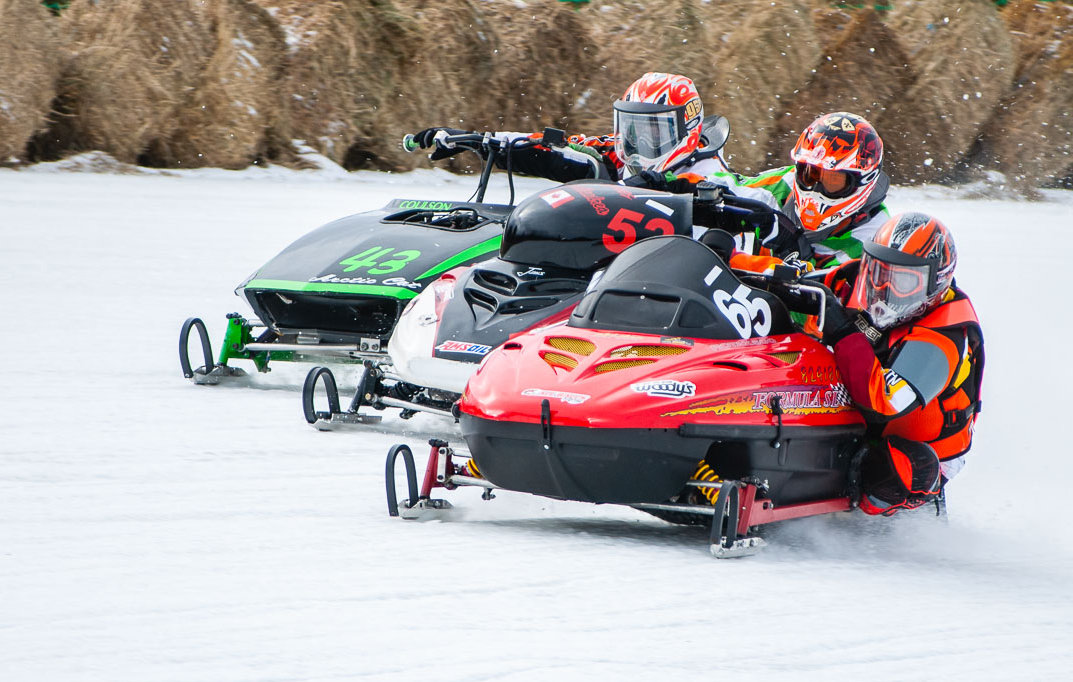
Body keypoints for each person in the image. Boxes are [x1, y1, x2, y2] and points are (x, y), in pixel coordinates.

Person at [771, 212, 984, 515]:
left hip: (922, 446)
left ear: (934, 282)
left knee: (893, 472)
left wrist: (843, 332)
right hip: (862, 419)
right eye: (879, 272)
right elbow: (806, 283)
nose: (885, 288)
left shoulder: (944, 333)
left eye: (903, 281)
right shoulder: (856, 280)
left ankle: (893, 520)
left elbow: (886, 401)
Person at [412, 72, 778, 204]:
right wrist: (484, 141)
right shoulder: (620, 154)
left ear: (687, 128)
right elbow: (561, 149)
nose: (637, 143)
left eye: (653, 131)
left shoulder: (711, 177)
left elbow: (755, 202)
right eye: (631, 128)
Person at [742, 112, 890, 269]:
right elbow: (731, 184)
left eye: (833, 180)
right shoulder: (783, 183)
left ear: (863, 181)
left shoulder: (877, 240)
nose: (815, 189)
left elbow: (846, 289)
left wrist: (798, 255)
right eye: (811, 174)